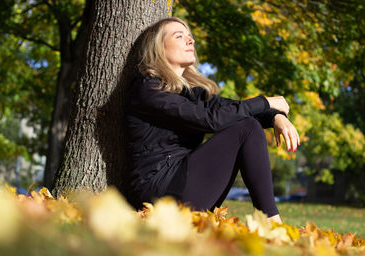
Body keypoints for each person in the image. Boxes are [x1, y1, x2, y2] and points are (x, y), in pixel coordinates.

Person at [122, 17, 300, 223]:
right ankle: (272, 222)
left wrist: (275, 115)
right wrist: (265, 102)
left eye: (190, 36)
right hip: (157, 193)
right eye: (179, 36)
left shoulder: (189, 93)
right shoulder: (148, 89)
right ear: (158, 47)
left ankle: (271, 222)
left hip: (180, 183)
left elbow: (232, 109)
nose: (191, 41)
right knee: (247, 127)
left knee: (245, 123)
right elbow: (211, 120)